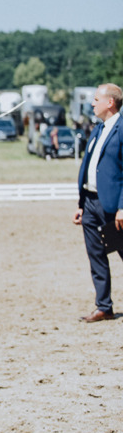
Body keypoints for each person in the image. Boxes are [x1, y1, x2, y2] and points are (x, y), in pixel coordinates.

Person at [72, 83, 123, 322]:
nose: (92, 103)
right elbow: (89, 166)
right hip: (90, 202)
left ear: (110, 102)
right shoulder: (97, 129)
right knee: (96, 255)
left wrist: (122, 206)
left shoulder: (121, 129)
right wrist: (81, 204)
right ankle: (104, 306)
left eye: (96, 99)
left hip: (113, 205)